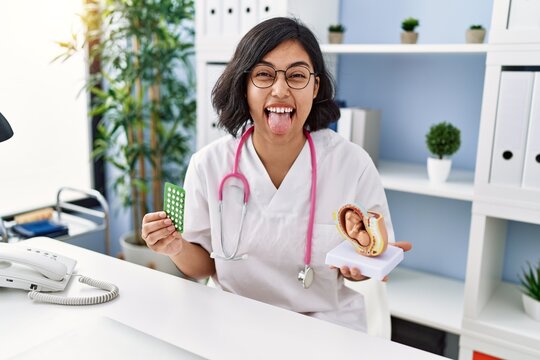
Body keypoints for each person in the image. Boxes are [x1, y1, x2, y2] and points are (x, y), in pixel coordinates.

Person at [141, 17, 411, 332]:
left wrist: (363, 268)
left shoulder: (352, 165)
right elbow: (203, 265)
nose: (280, 90)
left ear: (315, 86)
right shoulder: (208, 165)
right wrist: (175, 247)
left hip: (324, 328)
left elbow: (371, 255)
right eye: (264, 75)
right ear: (244, 85)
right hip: (235, 322)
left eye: (296, 75)